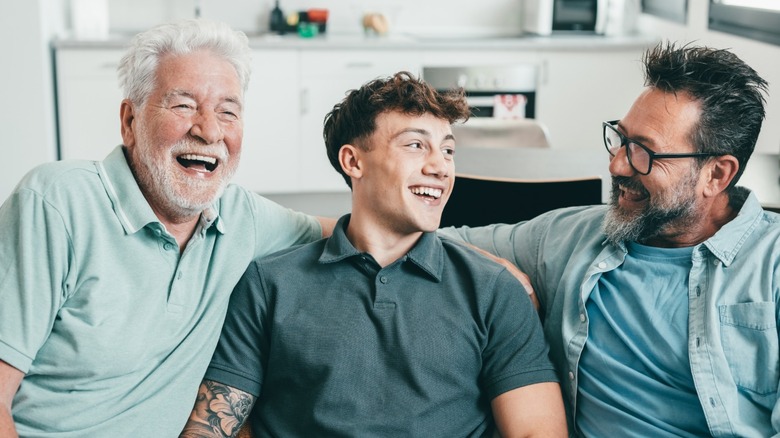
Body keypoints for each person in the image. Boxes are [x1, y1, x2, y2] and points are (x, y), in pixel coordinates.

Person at [179, 72, 568, 437]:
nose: (440, 167)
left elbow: (537, 430)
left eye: (447, 150)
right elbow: (212, 424)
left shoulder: (493, 289)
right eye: (416, 145)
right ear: (353, 161)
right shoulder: (268, 283)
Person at [0, 19, 336, 437]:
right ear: (129, 121)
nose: (209, 130)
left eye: (227, 112)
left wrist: (432, 199)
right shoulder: (57, 203)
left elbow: (353, 230)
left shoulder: (241, 217)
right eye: (183, 105)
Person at [441, 41, 776, 436]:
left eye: (644, 153)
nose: (616, 164)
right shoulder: (570, 238)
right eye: (620, 139)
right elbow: (433, 239)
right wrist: (490, 268)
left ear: (717, 175)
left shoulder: (770, 266)